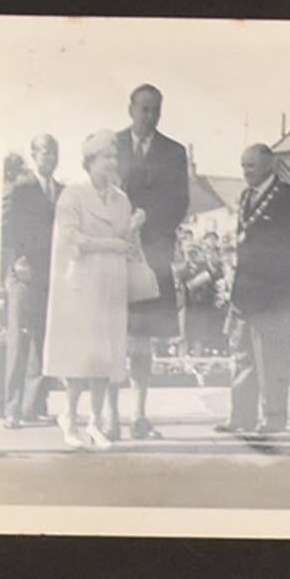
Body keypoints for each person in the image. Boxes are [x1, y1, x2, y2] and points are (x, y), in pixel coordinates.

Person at [42, 130, 144, 450]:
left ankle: (95, 422)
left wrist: (133, 235)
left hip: (112, 281)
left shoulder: (121, 199)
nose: (112, 163)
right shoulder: (72, 195)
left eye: (114, 157)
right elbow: (70, 238)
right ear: (89, 163)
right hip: (82, 281)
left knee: (107, 355)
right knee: (81, 356)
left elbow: (128, 244)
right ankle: (69, 419)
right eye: (105, 158)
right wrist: (111, 244)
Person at [215, 144, 290, 434]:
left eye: (250, 165)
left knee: (272, 359)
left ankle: (273, 419)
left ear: (269, 165)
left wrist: (286, 283)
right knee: (243, 356)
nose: (245, 171)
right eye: (243, 165)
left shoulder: (289, 198)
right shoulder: (247, 197)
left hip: (275, 295)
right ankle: (241, 417)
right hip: (246, 293)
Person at [114, 83, 189, 440]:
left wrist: (148, 220)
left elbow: (179, 203)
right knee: (113, 338)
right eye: (143, 109)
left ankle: (138, 415)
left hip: (152, 257)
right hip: (114, 254)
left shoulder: (173, 152)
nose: (149, 116)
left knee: (142, 340)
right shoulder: (109, 146)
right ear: (130, 108)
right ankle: (109, 416)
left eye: (155, 110)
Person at [0, 134, 62, 428]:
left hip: (50, 277)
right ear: (35, 155)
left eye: (55, 153)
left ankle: (34, 406)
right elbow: (5, 227)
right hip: (23, 276)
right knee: (18, 341)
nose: (51, 158)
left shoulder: (61, 191)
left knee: (42, 341)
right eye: (46, 153)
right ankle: (12, 408)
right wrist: (14, 263)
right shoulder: (20, 188)